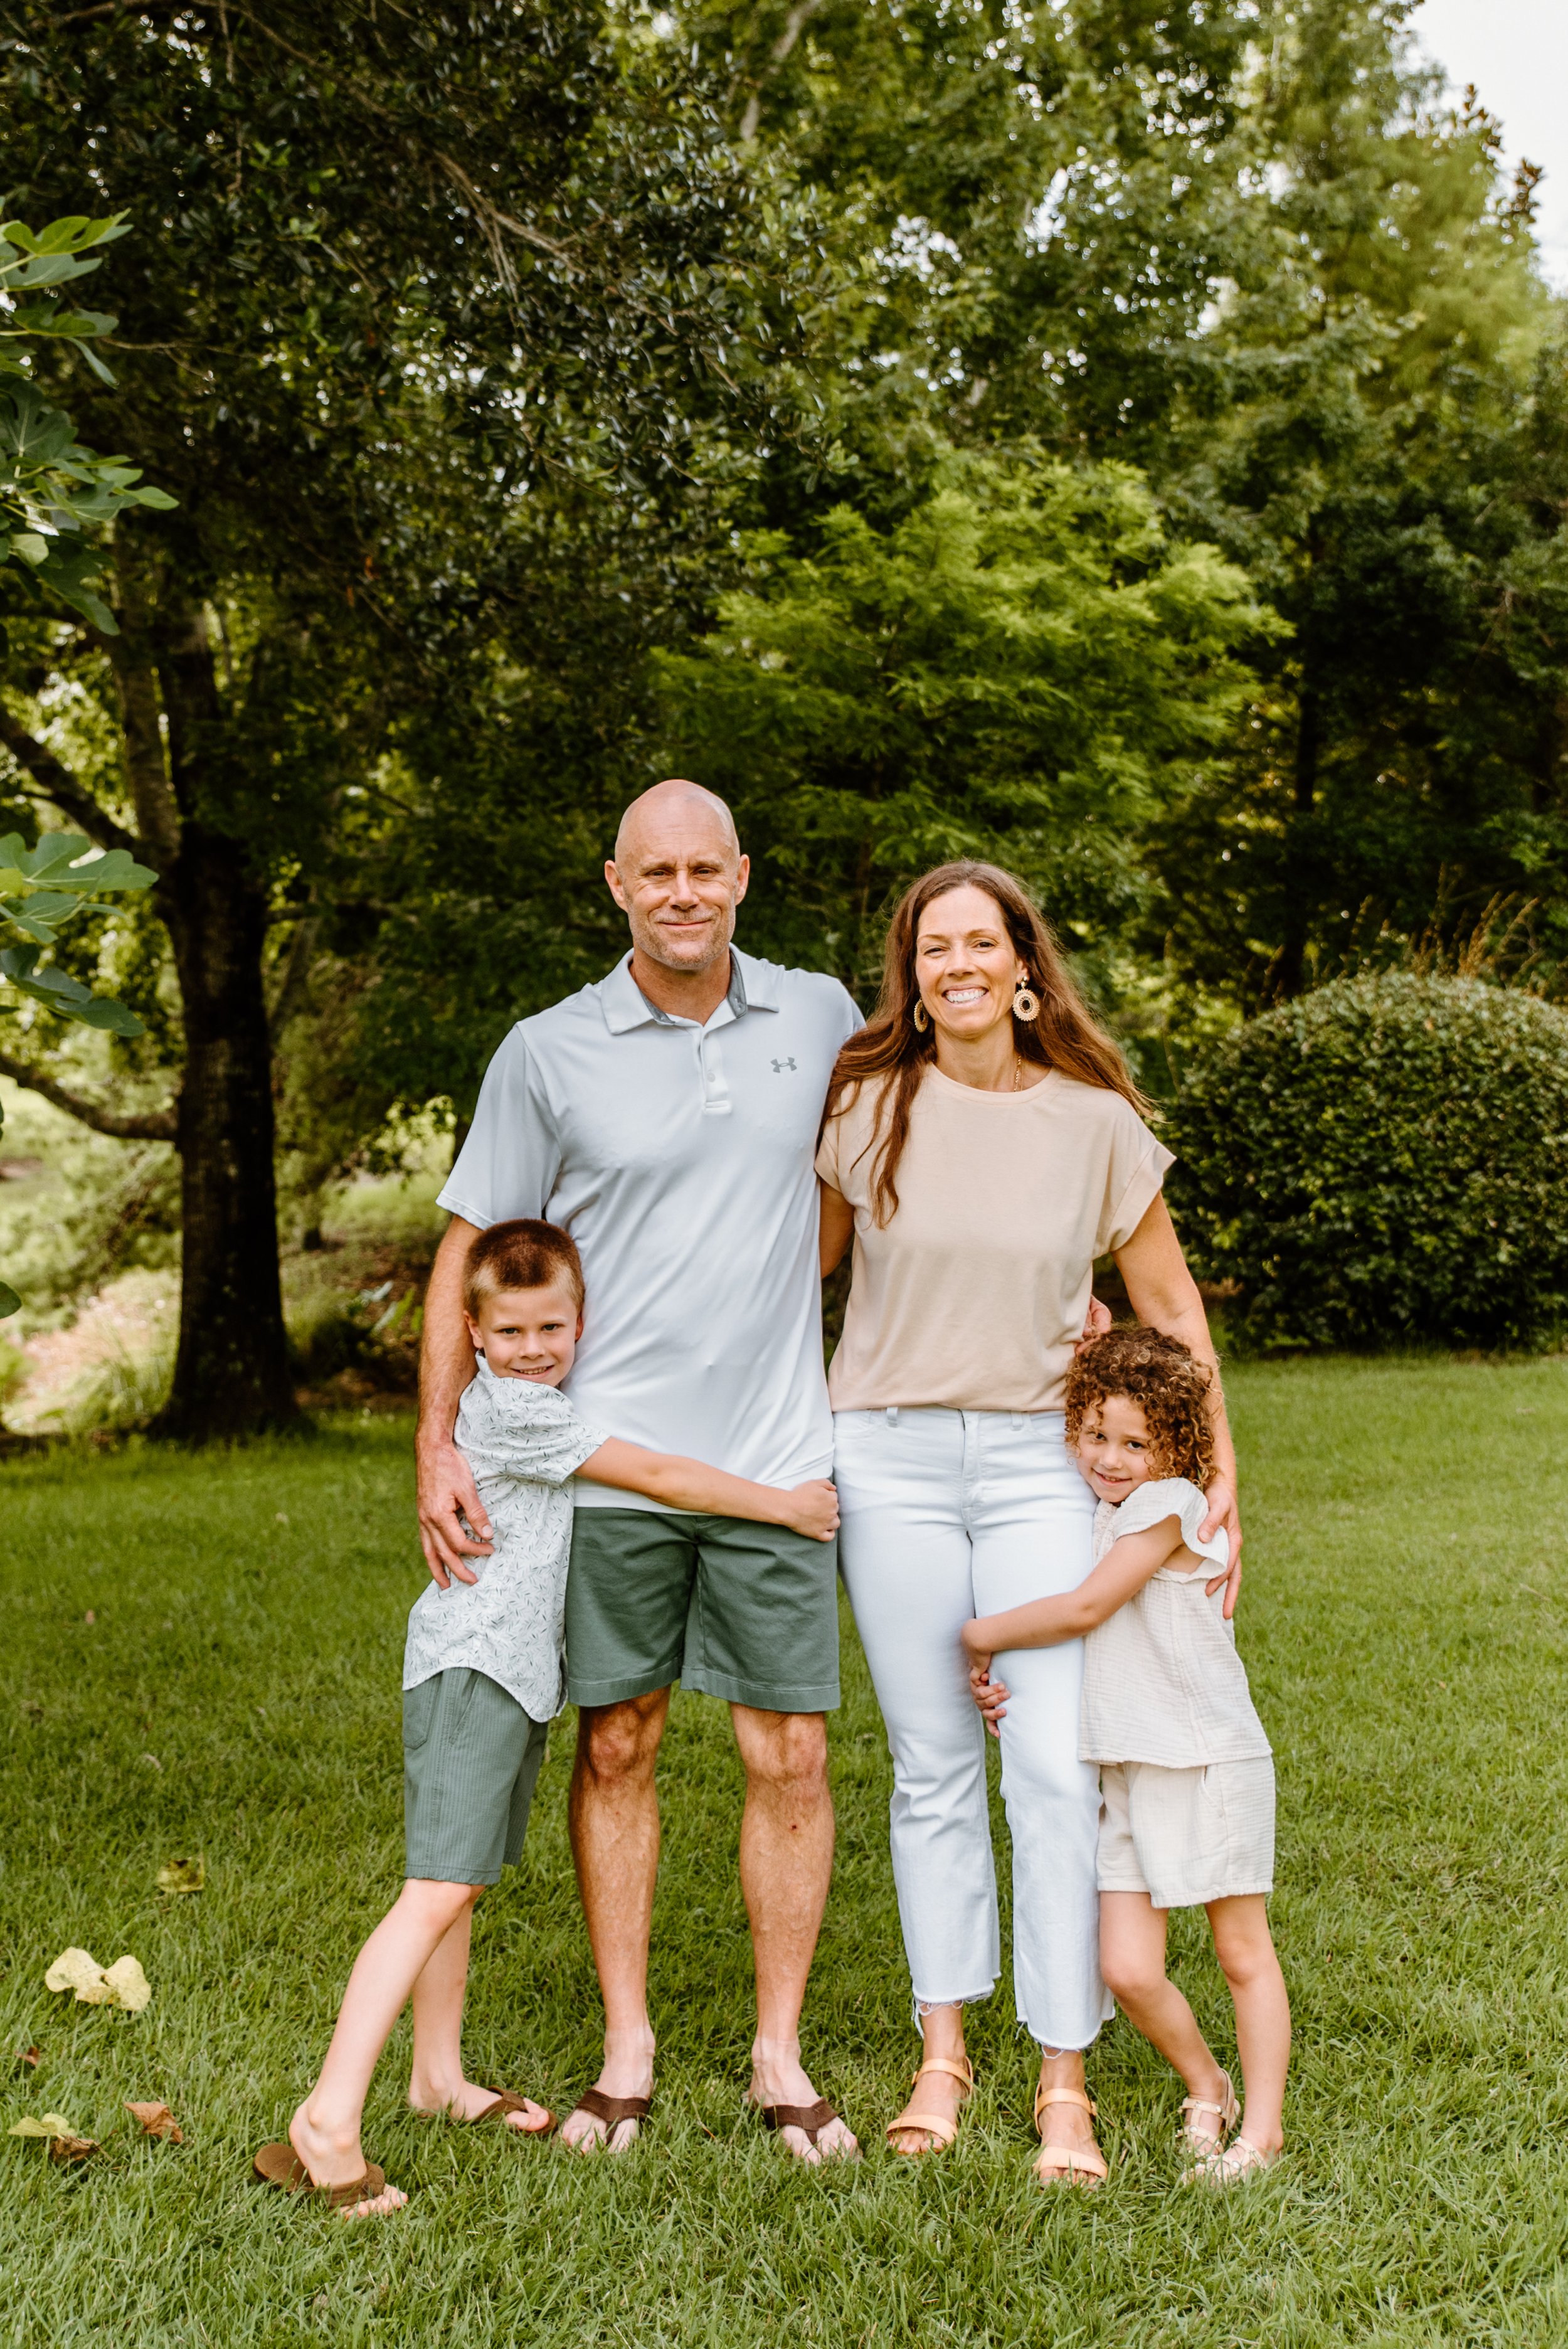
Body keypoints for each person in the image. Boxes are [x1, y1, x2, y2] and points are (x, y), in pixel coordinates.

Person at [415, 780, 863, 2162]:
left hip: (782, 1462)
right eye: (652, 872)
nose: (681, 892)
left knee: (786, 1751)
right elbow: (464, 1250)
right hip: (603, 1474)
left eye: (703, 869)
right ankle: (628, 2046)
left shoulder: (823, 1015)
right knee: (617, 1741)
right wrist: (436, 1439)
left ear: (742, 872)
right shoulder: (546, 1051)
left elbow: (854, 1199)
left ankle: (777, 2055)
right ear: (615, 884)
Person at [255, 1217, 840, 2217]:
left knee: (462, 1879)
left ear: (583, 1324)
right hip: (475, 1669)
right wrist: (782, 1508)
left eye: (551, 1329)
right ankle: (327, 2117)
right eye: (511, 1331)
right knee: (435, 1887)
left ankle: (436, 2076)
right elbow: (660, 1478)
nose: (533, 1351)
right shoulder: (523, 1415)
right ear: (473, 1335)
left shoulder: (540, 1393)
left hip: (504, 1672)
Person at [815, 859, 1241, 2186]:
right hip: (882, 1458)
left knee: (1052, 1762)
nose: (953, 964)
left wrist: (1216, 1478)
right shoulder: (863, 1105)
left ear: (1019, 965)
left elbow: (1165, 1301)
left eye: (976, 943)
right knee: (931, 1762)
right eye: (928, 946)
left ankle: (1064, 2078)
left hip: (1035, 1465)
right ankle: (940, 2055)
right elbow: (795, 1275)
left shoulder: (1093, 1118)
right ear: (912, 973)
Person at [963, 1324, 1288, 2185]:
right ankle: (1206, 2082)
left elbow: (1082, 1610)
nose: (1108, 1457)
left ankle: (1262, 2133)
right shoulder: (1106, 1507)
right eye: (1095, 1433)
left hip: (1203, 1760)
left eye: (1134, 1442)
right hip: (1129, 1768)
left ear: (1176, 1446)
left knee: (1240, 1951)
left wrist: (978, 1633)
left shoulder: (1171, 1505)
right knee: (1127, 1967)